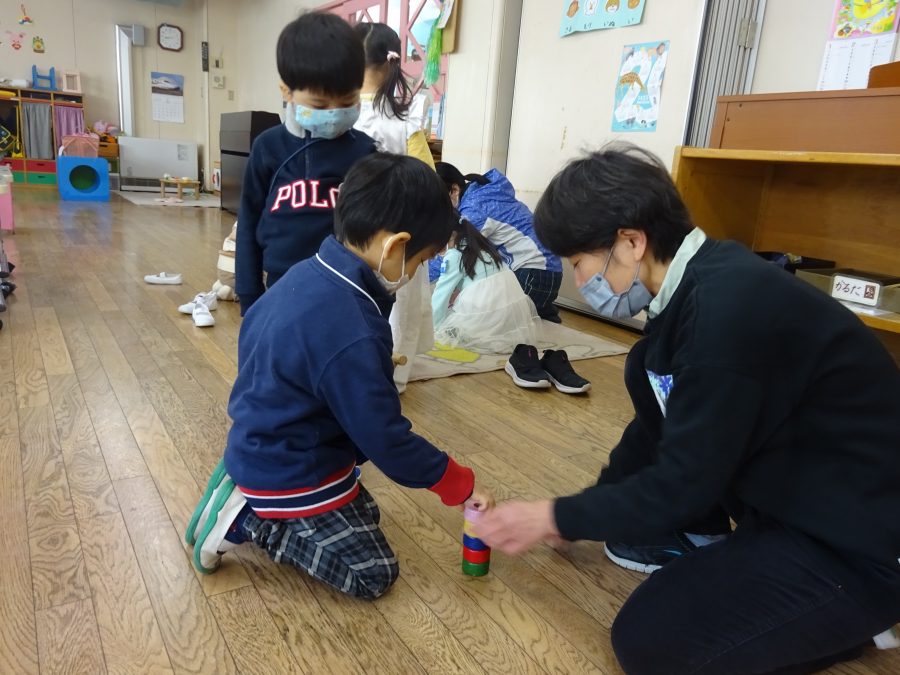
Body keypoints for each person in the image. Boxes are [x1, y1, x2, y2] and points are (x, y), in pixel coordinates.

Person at [473, 145, 900, 674]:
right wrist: (576, 514)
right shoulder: (698, 285)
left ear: (631, 242)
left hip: (860, 543)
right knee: (642, 370)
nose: (579, 281)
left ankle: (852, 620)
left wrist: (550, 516)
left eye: (580, 264)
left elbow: (684, 481)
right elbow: (654, 428)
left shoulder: (725, 311)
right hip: (795, 500)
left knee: (649, 642)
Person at [186, 153, 492, 600]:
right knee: (374, 574)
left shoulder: (305, 273)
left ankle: (247, 487)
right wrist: (456, 483)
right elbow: (386, 439)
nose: (414, 274)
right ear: (395, 247)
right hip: (290, 467)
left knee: (367, 515)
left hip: (266, 440)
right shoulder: (352, 328)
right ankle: (249, 520)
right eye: (422, 261)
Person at [235, 12, 376, 316]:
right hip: (281, 289)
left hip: (345, 291)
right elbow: (248, 223)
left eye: (347, 102)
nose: (335, 113)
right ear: (287, 91)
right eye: (320, 105)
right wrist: (249, 295)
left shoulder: (366, 151)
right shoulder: (267, 148)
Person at [353, 22, 436, 392]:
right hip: (399, 233)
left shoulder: (339, 113)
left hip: (348, 229)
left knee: (352, 302)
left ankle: (353, 373)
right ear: (392, 63)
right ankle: (395, 378)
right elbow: (426, 178)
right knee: (402, 308)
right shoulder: (405, 118)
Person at [433, 163, 564, 323]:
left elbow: (447, 259)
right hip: (546, 272)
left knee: (484, 313)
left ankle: (536, 306)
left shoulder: (474, 209)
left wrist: (414, 270)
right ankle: (541, 307)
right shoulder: (482, 194)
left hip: (534, 274)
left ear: (454, 190)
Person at [431, 216, 541, 354]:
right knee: (453, 306)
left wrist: (433, 325)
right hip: (510, 310)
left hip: (485, 309)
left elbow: (441, 293)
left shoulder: (454, 254)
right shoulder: (481, 246)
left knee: (447, 320)